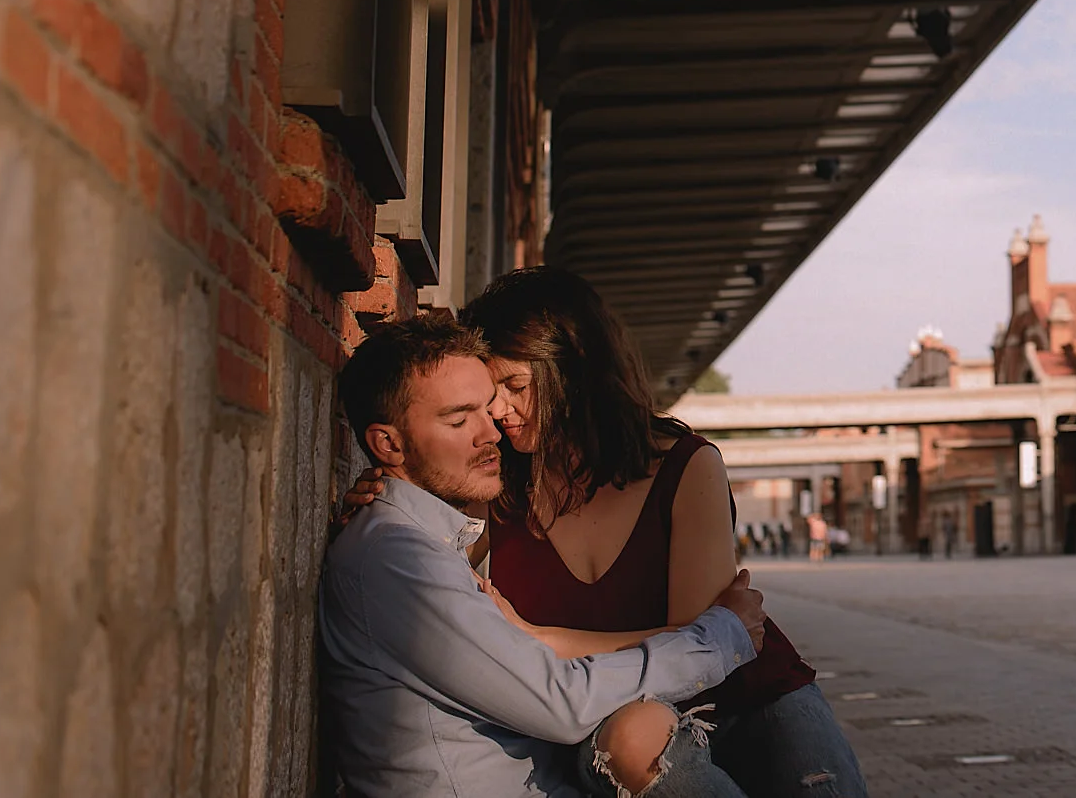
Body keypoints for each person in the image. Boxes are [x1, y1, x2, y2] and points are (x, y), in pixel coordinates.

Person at [320, 310, 769, 798]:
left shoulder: (431, 536)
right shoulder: (399, 560)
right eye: (457, 419)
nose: (491, 432)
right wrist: (721, 636)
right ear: (388, 444)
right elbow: (563, 702)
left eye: (486, 408)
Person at [469, 269, 867, 797]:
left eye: (514, 387)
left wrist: (543, 642)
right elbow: (419, 540)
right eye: (486, 395)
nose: (497, 411)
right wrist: (382, 489)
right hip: (625, 729)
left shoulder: (686, 466)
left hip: (755, 700)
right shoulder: (494, 485)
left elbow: (705, 650)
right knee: (633, 739)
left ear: (576, 369)